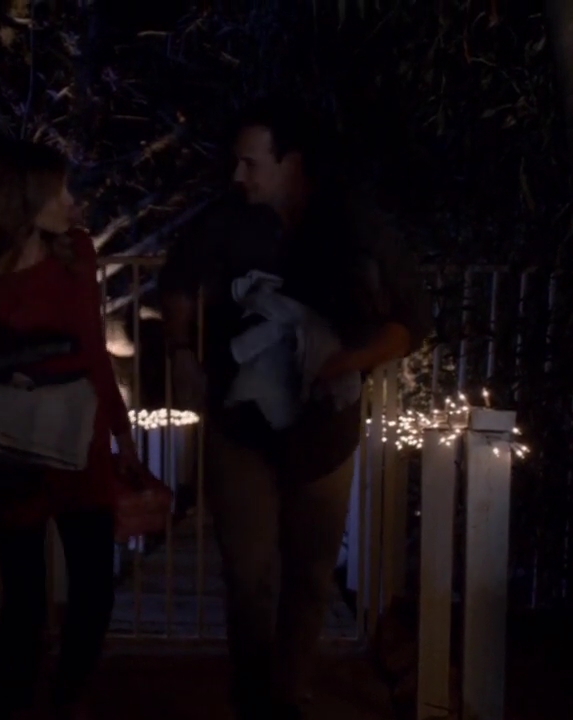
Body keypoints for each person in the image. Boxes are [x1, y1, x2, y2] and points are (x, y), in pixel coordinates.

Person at [158, 99, 431, 719]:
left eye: (251, 163)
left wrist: (347, 361)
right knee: (248, 576)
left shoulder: (355, 226)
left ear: (292, 163)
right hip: (239, 428)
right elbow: (175, 282)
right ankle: (254, 700)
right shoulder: (227, 221)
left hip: (323, 431)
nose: (239, 176)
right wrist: (180, 351)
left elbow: (412, 320)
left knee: (309, 574)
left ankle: (289, 694)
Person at [0, 139, 145, 720]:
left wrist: (122, 436)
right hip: (8, 453)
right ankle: (14, 701)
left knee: (94, 585)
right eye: (61, 191)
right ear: (26, 201)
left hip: (77, 441)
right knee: (24, 594)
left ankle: (67, 696)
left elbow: (94, 352)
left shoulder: (75, 254)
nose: (74, 203)